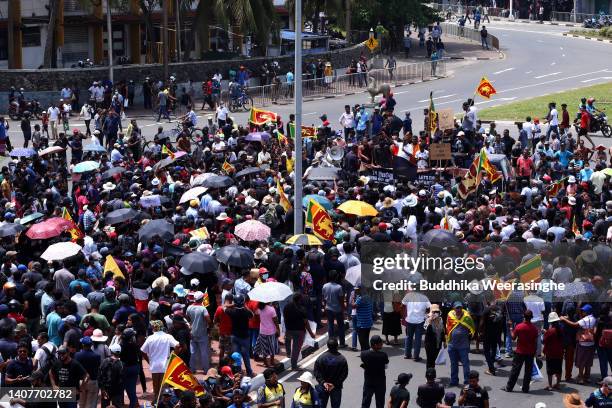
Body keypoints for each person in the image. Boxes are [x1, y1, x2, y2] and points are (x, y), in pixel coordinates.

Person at [141, 320, 180, 399]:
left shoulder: (150, 338)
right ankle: (162, 403)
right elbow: (178, 346)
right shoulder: (168, 336)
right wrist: (172, 357)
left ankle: (156, 402)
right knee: (164, 389)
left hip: (154, 366)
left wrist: (149, 361)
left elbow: (142, 351)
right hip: (165, 365)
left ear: (154, 328)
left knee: (156, 389)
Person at [501, 310, 538, 393]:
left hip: (520, 352)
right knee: (528, 372)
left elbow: (513, 337)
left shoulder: (519, 326)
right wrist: (535, 352)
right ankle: (525, 388)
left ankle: (509, 387)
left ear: (524, 316)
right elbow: (535, 342)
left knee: (515, 370)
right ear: (531, 317)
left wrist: (511, 328)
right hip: (530, 352)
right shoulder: (534, 329)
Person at [560, 304, 598, 384]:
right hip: (590, 343)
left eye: (583, 311)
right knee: (588, 361)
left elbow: (574, 325)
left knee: (581, 362)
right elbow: (594, 331)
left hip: (582, 343)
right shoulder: (594, 319)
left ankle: (580, 378)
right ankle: (586, 377)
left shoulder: (583, 320)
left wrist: (563, 318)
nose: (582, 312)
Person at [314, 338, 348, 408]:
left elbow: (316, 372)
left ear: (327, 346)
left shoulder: (321, 358)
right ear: (337, 346)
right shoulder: (342, 359)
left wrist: (323, 383)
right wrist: (334, 384)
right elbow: (344, 374)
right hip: (336, 387)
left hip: (323, 387)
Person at [446, 301, 474, 386]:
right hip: (452, 345)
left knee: (465, 364)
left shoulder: (467, 317)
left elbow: (472, 327)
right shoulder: (450, 316)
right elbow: (447, 327)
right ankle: (454, 380)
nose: (459, 309)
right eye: (457, 307)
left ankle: (467, 381)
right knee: (453, 363)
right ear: (453, 308)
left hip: (463, 345)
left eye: (460, 307)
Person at [360, 335, 389, 408]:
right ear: (376, 345)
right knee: (380, 402)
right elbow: (386, 365)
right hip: (380, 382)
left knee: (366, 401)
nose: (382, 344)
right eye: (380, 343)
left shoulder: (364, 354)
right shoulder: (383, 355)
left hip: (368, 381)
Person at [186, 290, 212, 373]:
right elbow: (208, 320)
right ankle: (206, 370)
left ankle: (192, 369)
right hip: (202, 333)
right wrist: (209, 327)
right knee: (204, 352)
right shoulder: (203, 309)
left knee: (192, 352)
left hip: (192, 333)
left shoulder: (189, 307)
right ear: (201, 299)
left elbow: (187, 318)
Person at [74, 336, 101, 408]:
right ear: (91, 344)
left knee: (81, 403)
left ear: (82, 345)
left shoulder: (77, 355)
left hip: (81, 382)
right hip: (92, 381)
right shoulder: (97, 356)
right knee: (91, 404)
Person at [322, 271, 346, 348]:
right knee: (341, 326)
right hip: (338, 309)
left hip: (329, 308)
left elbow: (324, 298)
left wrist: (325, 306)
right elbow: (341, 300)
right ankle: (342, 343)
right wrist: (343, 309)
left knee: (330, 325)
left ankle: (331, 343)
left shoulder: (325, 286)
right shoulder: (339, 287)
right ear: (336, 277)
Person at [543, 312, 564, 391]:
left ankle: (550, 385)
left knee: (550, 370)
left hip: (550, 353)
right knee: (558, 369)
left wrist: (545, 333)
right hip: (559, 352)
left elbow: (544, 341)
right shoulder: (561, 329)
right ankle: (558, 384)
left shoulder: (550, 331)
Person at [99, 343, 124, 408]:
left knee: (105, 405)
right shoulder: (121, 364)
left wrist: (102, 388)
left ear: (111, 351)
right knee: (117, 405)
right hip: (117, 390)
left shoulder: (104, 361)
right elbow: (122, 377)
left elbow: (100, 375)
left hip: (106, 388)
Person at [424, 303, 445, 369]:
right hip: (429, 344)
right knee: (430, 359)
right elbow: (426, 331)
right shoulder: (427, 320)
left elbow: (442, 331)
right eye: (434, 312)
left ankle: (432, 372)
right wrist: (430, 321)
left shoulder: (441, 320)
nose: (436, 313)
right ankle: (429, 375)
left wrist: (444, 341)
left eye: (437, 312)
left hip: (438, 343)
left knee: (434, 359)